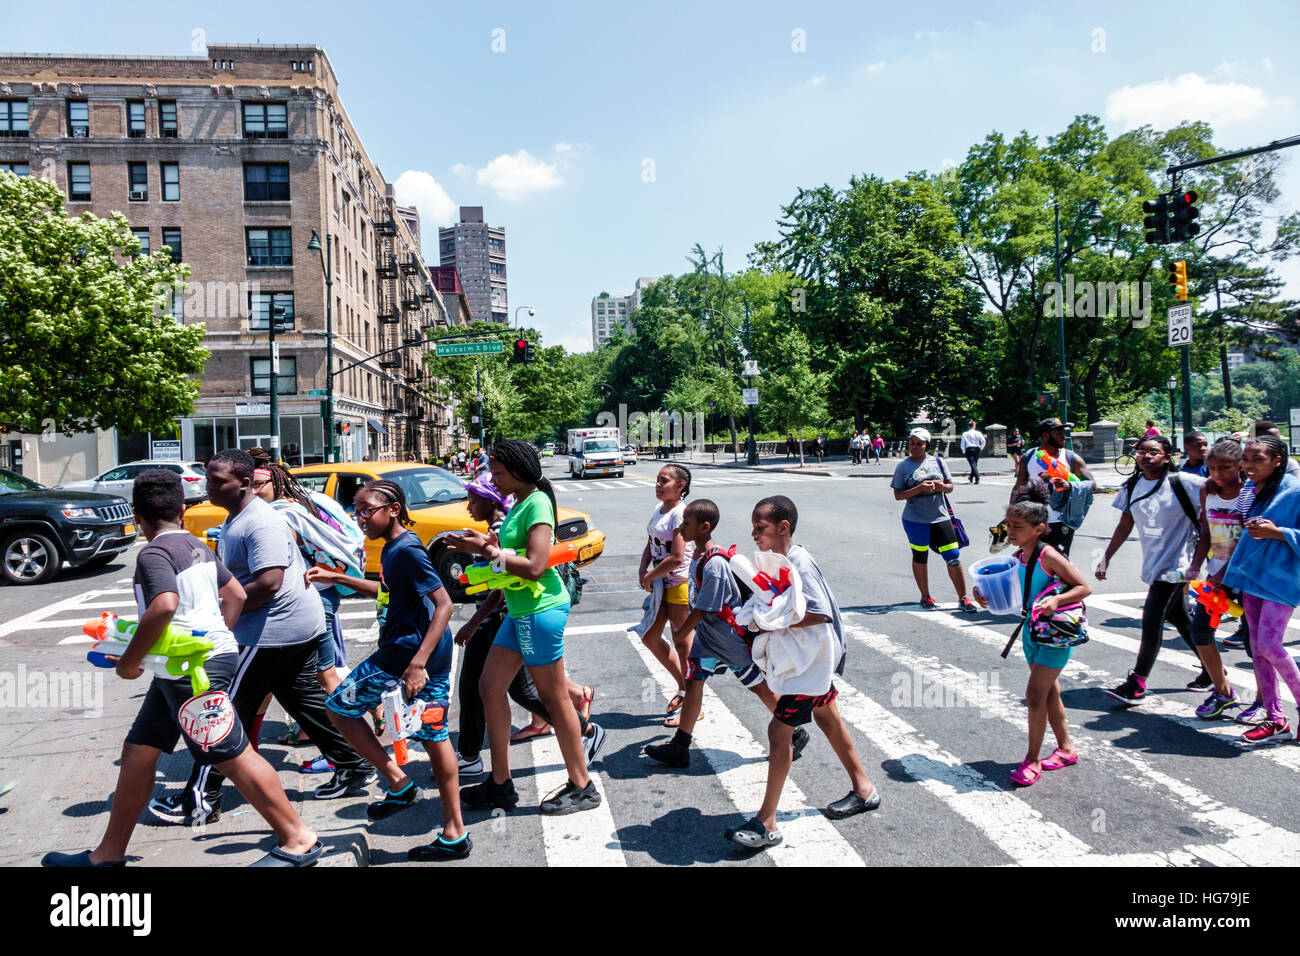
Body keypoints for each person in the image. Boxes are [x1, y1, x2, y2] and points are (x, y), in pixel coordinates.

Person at [42, 470, 323, 867]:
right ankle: (108, 854)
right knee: (138, 752)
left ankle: (299, 839)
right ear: (181, 510)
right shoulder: (197, 546)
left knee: (230, 754)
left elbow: (164, 605)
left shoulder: (154, 554)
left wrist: (129, 662)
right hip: (185, 666)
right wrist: (215, 634)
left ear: (137, 516)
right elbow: (237, 594)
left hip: (192, 670)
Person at [151, 450, 373, 825]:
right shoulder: (241, 517)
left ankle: (200, 799)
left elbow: (269, 581)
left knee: (221, 712)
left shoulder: (260, 522)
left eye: (218, 481)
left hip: (271, 632)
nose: (209, 487)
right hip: (293, 627)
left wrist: (224, 618)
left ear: (244, 483)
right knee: (305, 701)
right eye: (208, 479)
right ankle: (353, 766)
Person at [308, 480, 468, 860]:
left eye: (367, 510)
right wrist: (340, 578)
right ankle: (451, 830)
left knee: (338, 707)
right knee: (434, 733)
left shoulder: (407, 549)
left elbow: (444, 604)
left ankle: (399, 783)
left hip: (405, 655)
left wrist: (416, 664)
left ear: (393, 509)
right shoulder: (394, 548)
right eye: (356, 510)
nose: (359, 517)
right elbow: (389, 594)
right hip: (421, 653)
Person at [443, 440, 604, 815]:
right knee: (489, 687)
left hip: (539, 610)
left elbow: (535, 565)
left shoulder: (538, 504)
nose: (493, 479)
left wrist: (489, 552)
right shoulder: (519, 504)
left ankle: (582, 785)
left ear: (517, 471)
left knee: (554, 699)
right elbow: (509, 553)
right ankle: (500, 783)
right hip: (520, 610)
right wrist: (483, 543)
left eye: (497, 473)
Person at [724, 495, 877, 849]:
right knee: (827, 717)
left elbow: (819, 612)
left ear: (783, 527)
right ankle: (864, 788)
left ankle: (766, 822)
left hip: (810, 663)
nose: (754, 534)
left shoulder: (798, 562)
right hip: (808, 661)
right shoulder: (784, 560)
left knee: (780, 730)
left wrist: (770, 622)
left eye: (760, 528)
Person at [643, 498, 809, 768]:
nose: (682, 528)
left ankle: (795, 731)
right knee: (694, 680)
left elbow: (706, 606)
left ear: (704, 527)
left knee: (756, 685)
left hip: (726, 636)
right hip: (710, 636)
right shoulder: (698, 556)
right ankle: (680, 746)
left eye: (687, 524)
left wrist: (681, 632)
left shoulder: (714, 563)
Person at [972, 484, 1088, 787]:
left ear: (1039, 529)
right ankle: (1066, 749)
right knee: (1050, 692)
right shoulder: (1019, 554)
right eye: (1008, 525)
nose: (1010, 531)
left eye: (1017, 527)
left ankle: (1032, 759)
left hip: (1054, 634)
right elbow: (1015, 590)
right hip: (1031, 632)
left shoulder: (1048, 555)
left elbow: (1083, 587)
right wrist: (982, 594)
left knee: (1035, 695)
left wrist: (1056, 601)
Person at [1097, 435, 1210, 705]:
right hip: (1154, 564)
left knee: (1151, 620)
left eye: (1153, 452)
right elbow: (1125, 525)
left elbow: (1222, 493)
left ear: (1167, 457)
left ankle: (1137, 682)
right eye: (1141, 452)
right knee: (1182, 620)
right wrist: (1106, 556)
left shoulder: (1185, 483)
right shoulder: (1132, 485)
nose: (1146, 456)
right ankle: (1212, 670)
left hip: (1177, 566)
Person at [1222, 435, 1300, 743]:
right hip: (1252, 575)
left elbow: (1274, 531)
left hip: (1282, 579)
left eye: (1257, 459)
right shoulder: (1252, 491)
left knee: (1269, 645)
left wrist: (1278, 533)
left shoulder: (1295, 492)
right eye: (1245, 458)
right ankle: (1275, 717)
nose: (1248, 465)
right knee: (1256, 649)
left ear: (1277, 461)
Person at [1184, 438, 1247, 720]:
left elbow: (1248, 542)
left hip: (1246, 577)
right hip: (1217, 576)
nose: (1217, 474)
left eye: (1225, 467)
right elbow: (1206, 533)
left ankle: (1264, 702)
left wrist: (1224, 573)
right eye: (1211, 467)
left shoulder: (1250, 494)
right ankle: (1223, 692)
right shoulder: (1207, 492)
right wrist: (1195, 566)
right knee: (1200, 631)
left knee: (1256, 644)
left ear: (1240, 466)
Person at [633, 464, 697, 726]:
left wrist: (650, 575)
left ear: (680, 486)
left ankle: (694, 703)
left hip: (679, 583)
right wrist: (642, 567)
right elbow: (651, 542)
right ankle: (684, 687)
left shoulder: (680, 514)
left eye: (664, 481)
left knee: (683, 643)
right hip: (661, 583)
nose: (658, 485)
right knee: (649, 636)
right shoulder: (660, 510)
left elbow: (678, 556)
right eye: (657, 481)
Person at [890, 428, 977, 612]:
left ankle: (963, 598)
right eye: (912, 443)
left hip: (940, 516)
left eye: (919, 444)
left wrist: (942, 486)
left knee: (953, 556)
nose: (914, 447)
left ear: (926, 445)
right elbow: (898, 495)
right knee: (920, 557)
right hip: (915, 519)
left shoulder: (938, 462)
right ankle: (926, 596)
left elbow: (950, 486)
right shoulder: (903, 467)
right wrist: (919, 488)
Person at [1010, 418, 1095, 556]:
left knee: (1059, 563)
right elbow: (1019, 488)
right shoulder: (1030, 457)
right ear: (1045, 436)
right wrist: (1011, 515)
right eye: (1058, 433)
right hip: (1033, 521)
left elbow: (1092, 484)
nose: (1064, 436)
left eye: (1064, 432)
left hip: (1060, 521)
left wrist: (1070, 485)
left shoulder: (1070, 457)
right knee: (1031, 559)